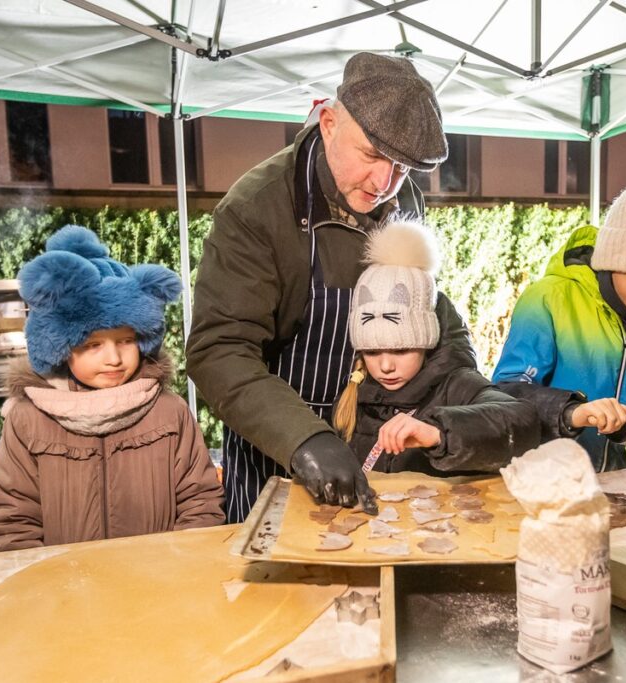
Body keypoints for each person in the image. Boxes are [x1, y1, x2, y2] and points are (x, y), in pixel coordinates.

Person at [187, 52, 474, 522]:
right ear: (328, 123)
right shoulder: (257, 208)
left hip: (383, 444)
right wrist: (306, 438)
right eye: (373, 155)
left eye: (402, 167)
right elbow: (219, 350)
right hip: (279, 453)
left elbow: (430, 314)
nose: (385, 182)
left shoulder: (404, 201)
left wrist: (467, 406)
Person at [0, 226, 224, 552]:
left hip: (160, 586)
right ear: (60, 347)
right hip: (65, 594)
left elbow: (200, 501)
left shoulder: (170, 412)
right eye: (92, 344)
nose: (113, 358)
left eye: (126, 340)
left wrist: (177, 568)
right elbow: (10, 522)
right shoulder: (27, 420)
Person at [492, 170, 626, 471]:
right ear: (617, 256)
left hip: (610, 482)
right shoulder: (548, 299)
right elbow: (505, 393)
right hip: (540, 482)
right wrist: (574, 412)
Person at [332, 219, 540, 474]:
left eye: (401, 350)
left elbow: (522, 420)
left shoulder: (459, 386)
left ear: (427, 342)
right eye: (372, 352)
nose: (385, 366)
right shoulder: (354, 393)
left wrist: (440, 433)